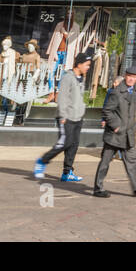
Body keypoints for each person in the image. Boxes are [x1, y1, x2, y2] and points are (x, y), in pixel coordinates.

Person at [94, 66, 136, 198]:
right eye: (130, 76)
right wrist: (116, 126)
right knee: (105, 162)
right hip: (115, 135)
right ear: (125, 76)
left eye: (135, 77)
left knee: (131, 161)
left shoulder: (135, 91)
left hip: (128, 134)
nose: (132, 79)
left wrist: (133, 127)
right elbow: (107, 111)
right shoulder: (116, 92)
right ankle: (98, 188)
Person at [35, 50, 92, 182]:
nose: (88, 67)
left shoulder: (81, 78)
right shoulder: (68, 77)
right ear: (79, 64)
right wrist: (63, 116)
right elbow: (62, 98)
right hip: (66, 117)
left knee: (73, 145)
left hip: (77, 117)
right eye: (87, 65)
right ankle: (42, 161)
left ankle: (67, 172)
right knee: (64, 144)